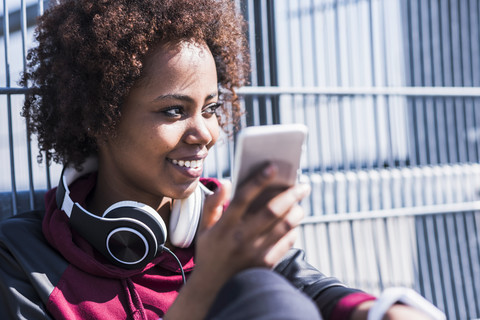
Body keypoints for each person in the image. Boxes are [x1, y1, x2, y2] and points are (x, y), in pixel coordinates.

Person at [0, 0, 437, 319]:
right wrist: (211, 281)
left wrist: (381, 312)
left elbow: (312, 288)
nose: (206, 133)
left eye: (209, 108)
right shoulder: (20, 257)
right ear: (99, 116)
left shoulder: (220, 226)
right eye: (173, 110)